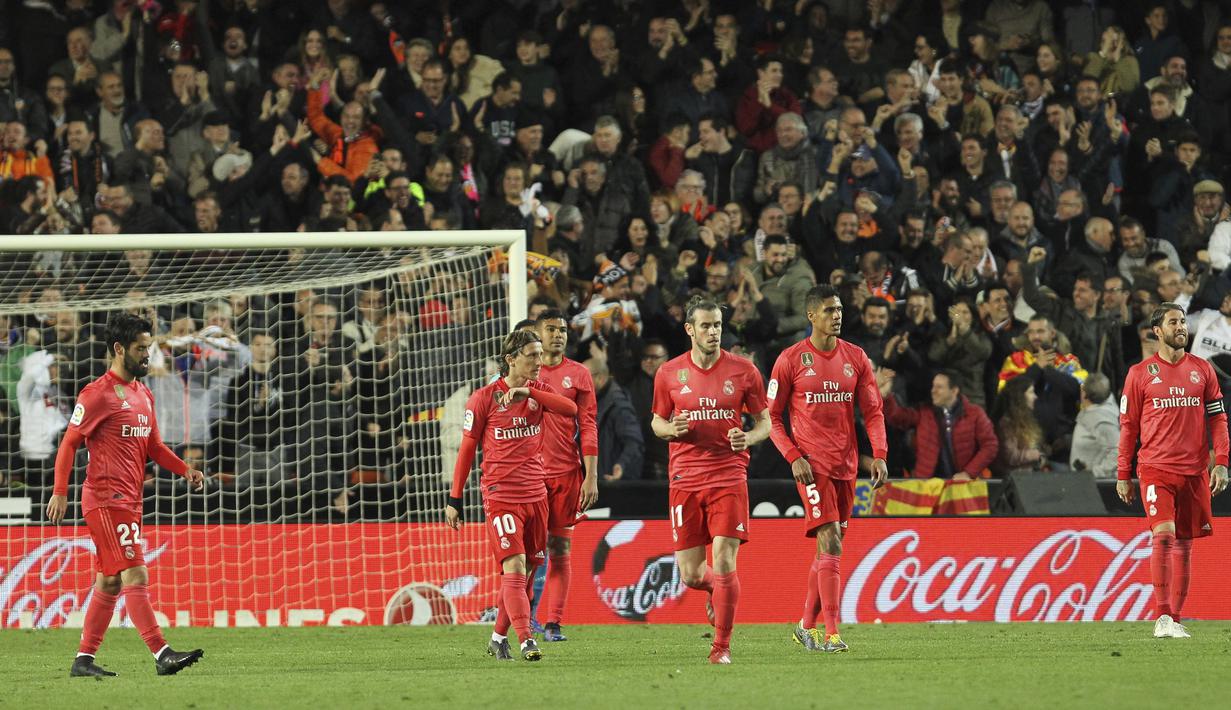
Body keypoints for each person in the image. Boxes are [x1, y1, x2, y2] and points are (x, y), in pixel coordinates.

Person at [45, 313, 205, 677]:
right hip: (105, 499)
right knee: (136, 572)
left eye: (148, 347)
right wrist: (60, 492)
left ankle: (83, 660)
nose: (147, 355)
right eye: (140, 348)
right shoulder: (96, 394)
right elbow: (69, 444)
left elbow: (155, 447)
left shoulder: (142, 393)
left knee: (109, 580)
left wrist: (185, 469)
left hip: (130, 501)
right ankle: (162, 653)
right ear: (119, 349)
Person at [766, 284, 888, 654]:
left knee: (827, 551)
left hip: (846, 466)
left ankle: (805, 627)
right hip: (811, 466)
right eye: (829, 310)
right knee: (831, 539)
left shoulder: (856, 357)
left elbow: (873, 411)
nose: (837, 316)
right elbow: (771, 418)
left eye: (839, 310)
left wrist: (879, 454)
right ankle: (832, 634)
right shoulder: (790, 360)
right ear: (811, 316)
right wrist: (793, 456)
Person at [445, 330, 578, 662]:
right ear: (511, 359)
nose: (539, 361)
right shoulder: (483, 398)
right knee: (514, 566)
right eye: (532, 355)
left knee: (524, 576)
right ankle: (526, 640)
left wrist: (529, 391)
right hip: (501, 494)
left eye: (540, 354)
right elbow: (467, 450)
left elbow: (570, 408)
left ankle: (497, 638)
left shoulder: (538, 392)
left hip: (536, 494)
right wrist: (454, 498)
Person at [650, 296, 770, 664]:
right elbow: (656, 422)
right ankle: (716, 590)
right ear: (690, 329)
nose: (713, 331)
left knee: (724, 557)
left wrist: (747, 437)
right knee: (691, 574)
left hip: (728, 475)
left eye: (717, 325)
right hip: (684, 478)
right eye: (705, 325)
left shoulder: (744, 371)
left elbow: (765, 423)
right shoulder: (669, 373)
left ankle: (721, 647)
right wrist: (671, 429)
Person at [1116, 303, 1230, 639]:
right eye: (1173, 322)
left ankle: (1175, 619)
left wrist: (1222, 462)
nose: (1181, 327)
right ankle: (1162, 616)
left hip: (1194, 471)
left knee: (1184, 544)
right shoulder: (1139, 374)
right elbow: (1128, 427)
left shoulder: (1202, 370)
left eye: (1182, 321)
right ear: (1157, 331)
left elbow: (1218, 419)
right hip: (1156, 469)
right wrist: (1123, 473)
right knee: (1163, 536)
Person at [531, 311, 599, 642]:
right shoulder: (525, 373)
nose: (558, 335)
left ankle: (553, 623)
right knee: (529, 551)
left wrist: (591, 475)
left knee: (559, 548)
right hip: (529, 476)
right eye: (551, 329)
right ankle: (523, 617)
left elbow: (588, 425)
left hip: (566, 475)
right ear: (537, 334)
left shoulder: (579, 374)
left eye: (562, 330)